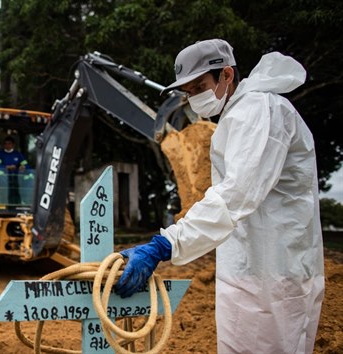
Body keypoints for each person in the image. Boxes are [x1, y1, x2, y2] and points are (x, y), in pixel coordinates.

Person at [114, 39, 324, 353]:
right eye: (187, 91)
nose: (193, 97)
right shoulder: (238, 114)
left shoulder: (256, 112)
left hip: (277, 270)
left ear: (227, 75)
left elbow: (235, 195)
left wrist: (166, 244)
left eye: (199, 86)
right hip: (254, 265)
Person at [0, 136, 29, 204]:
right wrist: (6, 167)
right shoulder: (0, 154)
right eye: (6, 144)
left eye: (9, 143)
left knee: (16, 195)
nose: (7, 145)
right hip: (4, 181)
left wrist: (23, 167)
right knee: (5, 196)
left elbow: (26, 165)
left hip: (17, 180)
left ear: (13, 145)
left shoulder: (18, 154)